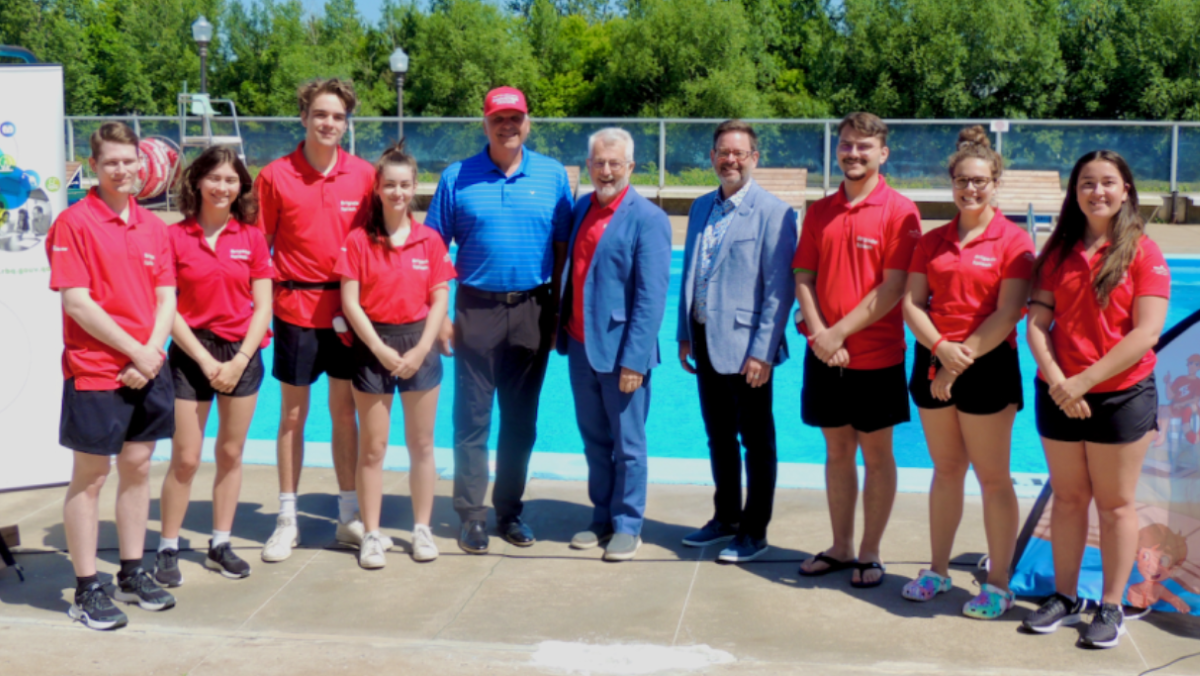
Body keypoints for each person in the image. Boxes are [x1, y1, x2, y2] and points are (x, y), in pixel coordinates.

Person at [1022, 150, 1170, 649]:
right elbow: (1037, 324)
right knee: (1067, 499)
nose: (1097, 191)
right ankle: (1065, 598)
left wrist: (1081, 382)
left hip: (1119, 396)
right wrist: (1058, 381)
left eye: (1108, 182)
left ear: (1126, 190)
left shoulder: (1144, 252)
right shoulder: (1057, 252)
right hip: (1059, 392)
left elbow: (1146, 333)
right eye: (1087, 182)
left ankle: (1110, 605)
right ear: (1075, 191)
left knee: (1115, 505)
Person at [426, 86, 574, 554]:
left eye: (515, 118)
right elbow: (432, 250)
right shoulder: (457, 176)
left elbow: (563, 250)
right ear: (485, 123)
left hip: (533, 308)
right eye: (498, 119)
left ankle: (509, 512)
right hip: (476, 308)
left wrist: (558, 313)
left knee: (521, 421)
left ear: (527, 122)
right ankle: (471, 516)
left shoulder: (552, 175)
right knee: (471, 418)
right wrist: (440, 316)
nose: (507, 126)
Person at [47, 121, 177, 630]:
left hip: (146, 365)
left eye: (129, 161)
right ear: (94, 166)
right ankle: (86, 588)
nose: (122, 170)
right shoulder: (74, 223)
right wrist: (136, 353)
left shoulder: (153, 226)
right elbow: (77, 303)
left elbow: (166, 297)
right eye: (112, 163)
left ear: (141, 164)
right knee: (92, 475)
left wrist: (151, 354)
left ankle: (130, 571)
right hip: (97, 368)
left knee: (138, 467)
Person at [898, 127, 1032, 618]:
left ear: (995, 183)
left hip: (986, 363)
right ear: (951, 182)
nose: (970, 189)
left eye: (979, 181)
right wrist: (939, 348)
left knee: (993, 478)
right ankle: (937, 569)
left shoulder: (1014, 240)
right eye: (961, 181)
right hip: (934, 355)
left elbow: (1009, 311)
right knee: (947, 470)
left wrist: (957, 361)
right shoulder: (932, 240)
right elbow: (912, 303)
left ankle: (998, 584)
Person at [793, 112, 923, 588]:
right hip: (823, 353)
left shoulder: (900, 211)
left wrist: (837, 334)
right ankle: (841, 546)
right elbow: (803, 277)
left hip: (877, 355)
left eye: (864, 146)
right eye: (846, 144)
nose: (853, 153)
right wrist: (820, 336)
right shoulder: (820, 211)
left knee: (877, 454)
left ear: (882, 153)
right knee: (837, 451)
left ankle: (870, 552)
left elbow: (892, 289)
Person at [254, 79, 375, 562]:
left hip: (348, 313)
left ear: (347, 123)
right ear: (303, 117)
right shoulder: (275, 176)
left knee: (344, 414)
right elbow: (258, 252)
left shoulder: (364, 175)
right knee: (292, 416)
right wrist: (258, 314)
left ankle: (348, 515)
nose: (329, 123)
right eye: (321, 114)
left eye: (338, 116)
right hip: (295, 312)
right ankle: (287, 519)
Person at [677, 120, 797, 563]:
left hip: (748, 349)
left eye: (739, 153)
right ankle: (726, 517)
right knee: (719, 436)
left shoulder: (774, 212)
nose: (730, 160)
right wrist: (684, 334)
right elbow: (691, 273)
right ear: (712, 157)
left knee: (757, 442)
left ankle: (753, 530)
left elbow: (779, 289)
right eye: (723, 152)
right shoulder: (700, 207)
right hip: (704, 338)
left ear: (754, 158)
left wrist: (763, 353)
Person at [153, 146, 274, 587]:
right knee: (186, 458)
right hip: (191, 354)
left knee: (230, 453)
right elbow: (167, 307)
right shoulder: (174, 237)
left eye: (231, 180)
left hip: (242, 354)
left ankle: (220, 543)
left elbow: (264, 306)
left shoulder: (252, 238)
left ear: (241, 186)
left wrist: (239, 359)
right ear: (198, 182)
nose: (223, 187)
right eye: (215, 178)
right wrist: (204, 359)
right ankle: (168, 546)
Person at [336, 142, 455, 569]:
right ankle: (371, 533)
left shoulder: (429, 240)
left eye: (405, 185)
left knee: (421, 444)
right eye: (390, 185)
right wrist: (379, 349)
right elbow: (350, 303)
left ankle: (422, 528)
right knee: (373, 448)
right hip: (374, 346)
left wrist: (422, 348)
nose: (398, 192)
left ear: (415, 186)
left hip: (418, 343)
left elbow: (440, 298)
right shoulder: (358, 241)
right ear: (378, 189)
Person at [557, 128, 671, 562]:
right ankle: (601, 516)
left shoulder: (649, 219)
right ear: (588, 166)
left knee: (628, 445)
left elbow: (651, 298)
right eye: (599, 163)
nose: (606, 171)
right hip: (580, 346)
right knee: (594, 441)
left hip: (623, 353)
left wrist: (635, 361)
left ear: (631, 167)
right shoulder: (581, 208)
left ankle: (628, 524)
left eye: (615, 163)